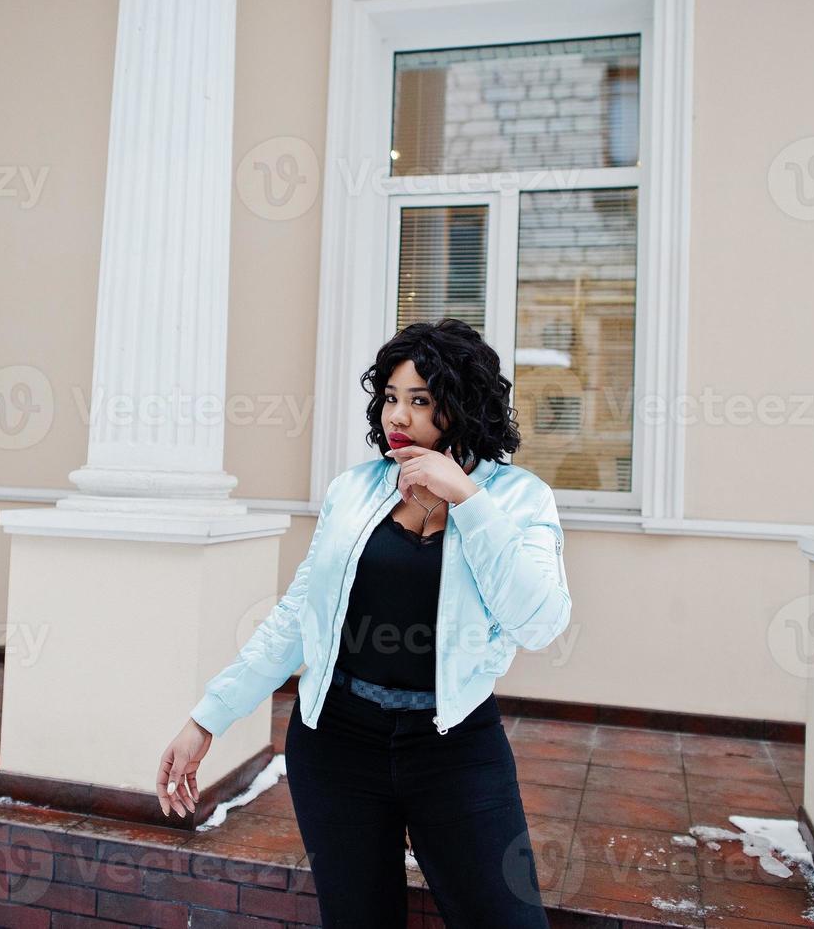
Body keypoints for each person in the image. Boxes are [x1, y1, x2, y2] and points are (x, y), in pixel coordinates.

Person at [155, 318, 570, 927]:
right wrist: (206, 718)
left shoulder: (517, 499)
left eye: (420, 401)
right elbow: (297, 617)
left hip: (453, 744)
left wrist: (469, 501)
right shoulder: (354, 491)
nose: (396, 418)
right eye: (390, 399)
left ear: (462, 405)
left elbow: (538, 621)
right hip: (337, 742)